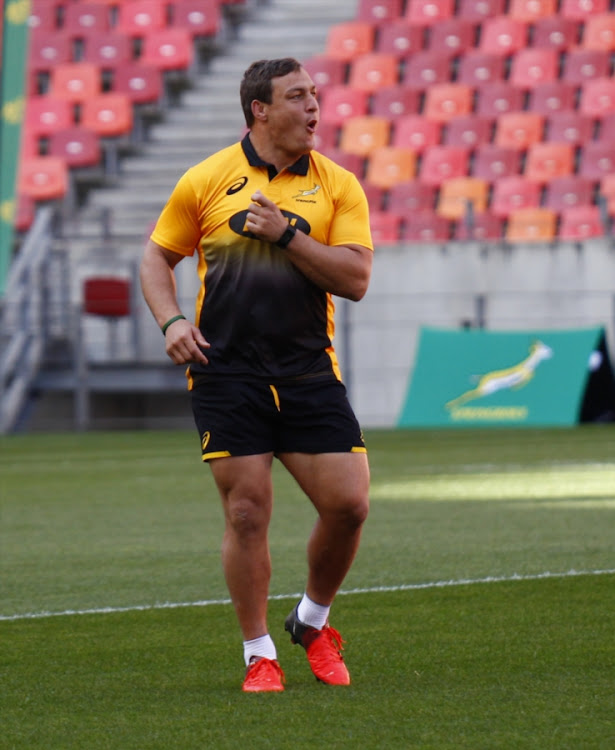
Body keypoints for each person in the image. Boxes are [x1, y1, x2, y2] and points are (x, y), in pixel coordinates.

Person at [140, 58, 373, 693]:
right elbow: (156, 256)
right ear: (260, 110)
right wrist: (169, 321)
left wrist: (288, 234)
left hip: (306, 370)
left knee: (350, 505)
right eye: (298, 97)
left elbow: (355, 280)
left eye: (316, 95)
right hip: (227, 371)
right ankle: (258, 652)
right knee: (247, 512)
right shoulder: (207, 179)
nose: (314, 108)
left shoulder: (338, 185)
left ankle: (312, 619)